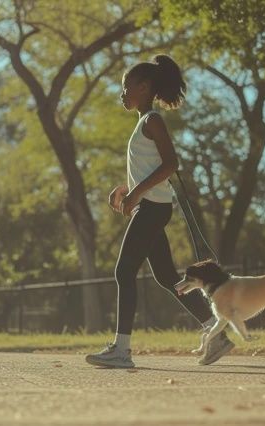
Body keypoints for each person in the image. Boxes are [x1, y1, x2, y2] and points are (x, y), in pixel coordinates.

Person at [85, 54, 234, 368]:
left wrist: (137, 192)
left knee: (123, 272)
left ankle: (121, 350)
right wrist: (127, 188)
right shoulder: (143, 123)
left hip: (152, 209)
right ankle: (215, 332)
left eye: (126, 87)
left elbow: (171, 164)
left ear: (144, 86)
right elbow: (151, 168)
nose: (122, 93)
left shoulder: (151, 120)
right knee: (167, 276)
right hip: (151, 206)